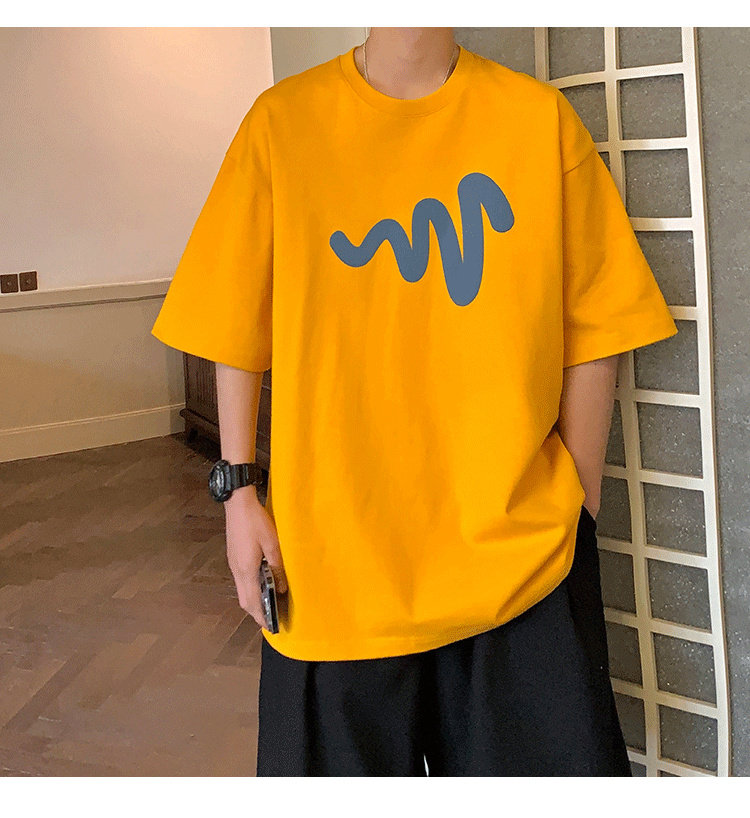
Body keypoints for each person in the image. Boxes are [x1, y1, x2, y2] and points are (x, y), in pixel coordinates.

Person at [151, 27, 678, 776]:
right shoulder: (282, 124)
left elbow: (598, 323)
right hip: (333, 566)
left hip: (517, 559)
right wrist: (239, 494)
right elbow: (232, 323)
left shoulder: (536, 121)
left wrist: (579, 498)